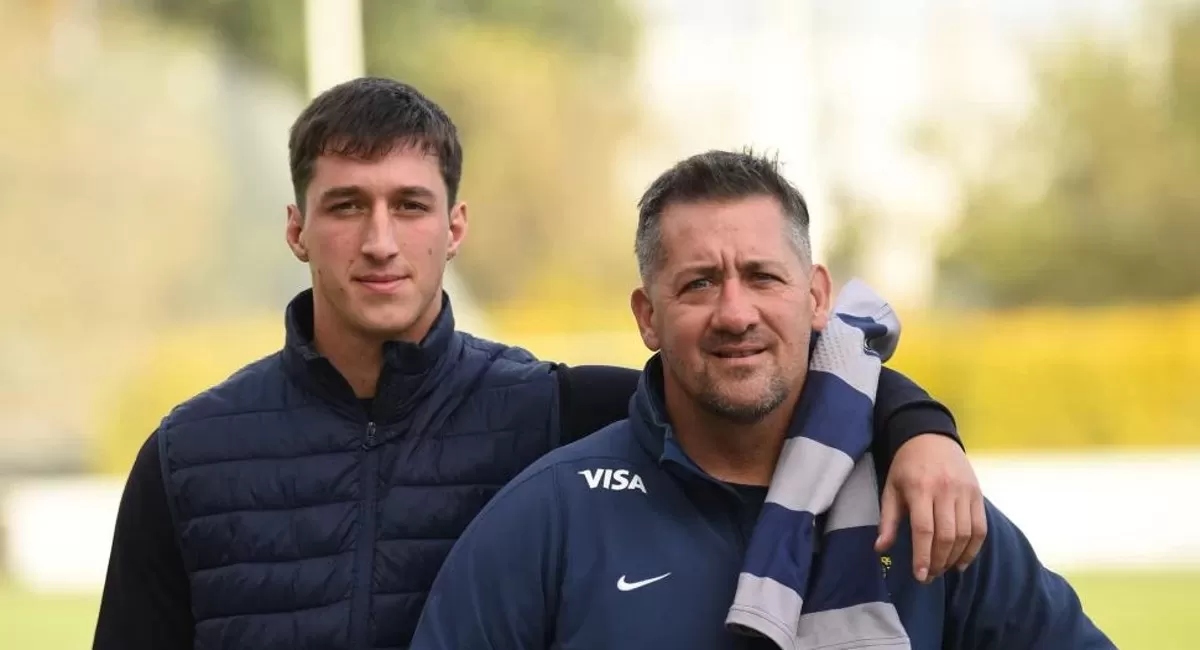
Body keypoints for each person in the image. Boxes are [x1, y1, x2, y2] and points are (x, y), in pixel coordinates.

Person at [92, 78, 986, 650]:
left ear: (454, 228)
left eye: (409, 205)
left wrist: (916, 426)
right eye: (344, 207)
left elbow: (743, 371)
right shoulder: (190, 454)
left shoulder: (551, 410)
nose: (378, 241)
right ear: (295, 229)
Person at [410, 150, 1114, 650]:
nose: (735, 312)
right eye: (698, 284)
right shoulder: (549, 517)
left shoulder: (927, 505)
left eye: (762, 276)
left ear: (816, 298)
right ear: (646, 316)